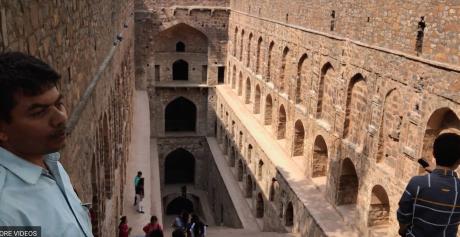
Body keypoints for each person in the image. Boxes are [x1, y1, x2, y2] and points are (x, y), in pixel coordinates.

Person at [0, 52, 93, 236]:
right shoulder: (7, 213)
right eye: (39, 112)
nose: (60, 118)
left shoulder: (49, 162)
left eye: (59, 104)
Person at [397, 133, 460, 237]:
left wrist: (403, 231)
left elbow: (403, 214)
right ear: (458, 160)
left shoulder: (417, 183)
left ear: (434, 153)